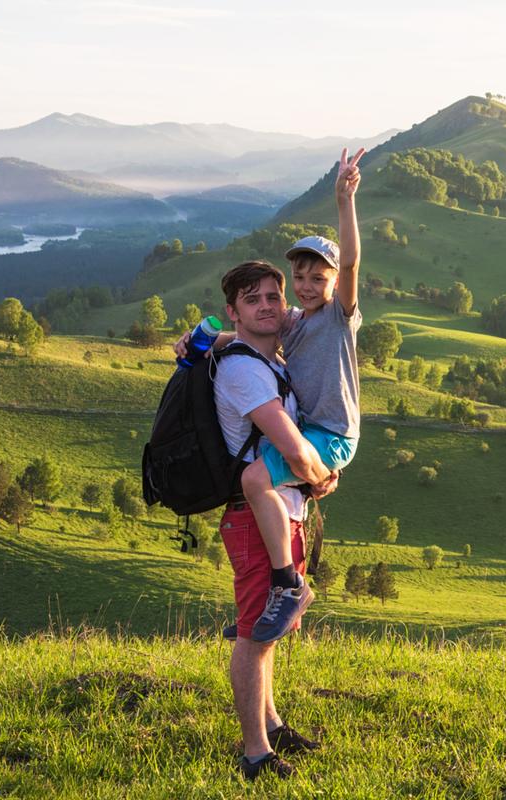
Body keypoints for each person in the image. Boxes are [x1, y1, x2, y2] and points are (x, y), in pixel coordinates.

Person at [178, 148, 365, 644]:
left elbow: (350, 263)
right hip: (307, 431)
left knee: (258, 479)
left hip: (331, 433)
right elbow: (245, 326)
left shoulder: (338, 316)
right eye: (298, 279)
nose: (306, 287)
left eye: (316, 278)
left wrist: (344, 199)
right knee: (257, 478)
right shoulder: (291, 323)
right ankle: (261, 597)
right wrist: (200, 341)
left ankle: (286, 585)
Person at [212, 260, 340, 780]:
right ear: (234, 311)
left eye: (272, 296)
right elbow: (290, 445)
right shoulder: (245, 370)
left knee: (270, 628)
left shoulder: (269, 360)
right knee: (253, 633)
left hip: (280, 511)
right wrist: (319, 473)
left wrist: (206, 337)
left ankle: (271, 721)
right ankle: (255, 753)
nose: (265, 306)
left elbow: (296, 453)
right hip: (253, 517)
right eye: (252, 299)